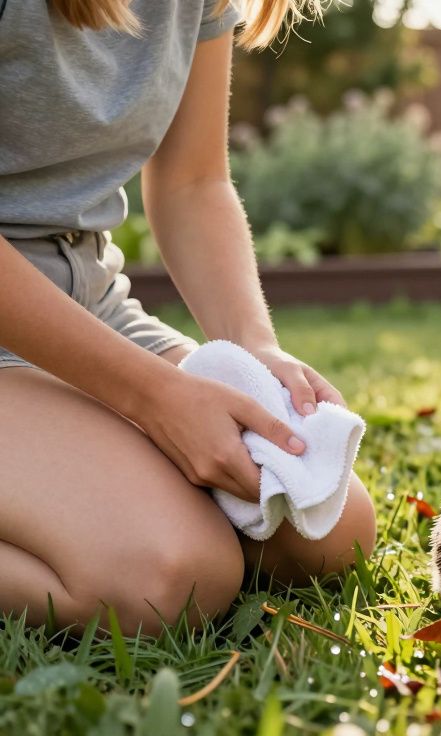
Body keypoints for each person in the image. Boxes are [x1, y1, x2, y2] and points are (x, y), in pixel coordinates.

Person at [0, 0, 377, 637]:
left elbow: (193, 182)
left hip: (87, 297)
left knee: (324, 535)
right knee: (164, 578)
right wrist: (156, 397)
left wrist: (254, 350)